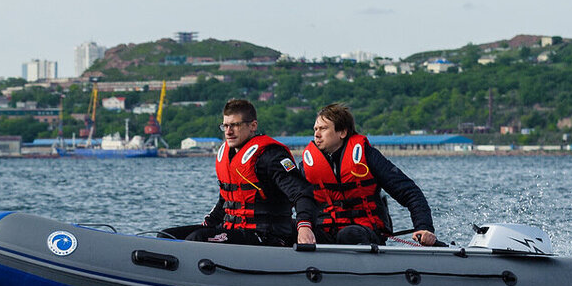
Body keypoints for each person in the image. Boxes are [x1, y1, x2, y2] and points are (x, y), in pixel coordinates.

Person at [183, 99, 317, 247]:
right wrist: (208, 224)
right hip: (233, 231)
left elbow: (301, 193)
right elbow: (226, 201)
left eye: (235, 125)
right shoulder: (229, 157)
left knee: (197, 239)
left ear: (253, 126)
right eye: (225, 126)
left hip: (266, 236)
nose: (228, 132)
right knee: (169, 236)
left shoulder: (271, 156)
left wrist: (304, 226)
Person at [302, 103, 437, 245]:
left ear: (342, 132)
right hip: (326, 233)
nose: (317, 134)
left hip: (364, 232)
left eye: (323, 128)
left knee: (348, 234)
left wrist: (424, 227)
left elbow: (410, 192)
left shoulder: (367, 156)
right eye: (315, 129)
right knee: (288, 229)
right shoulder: (307, 165)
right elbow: (296, 197)